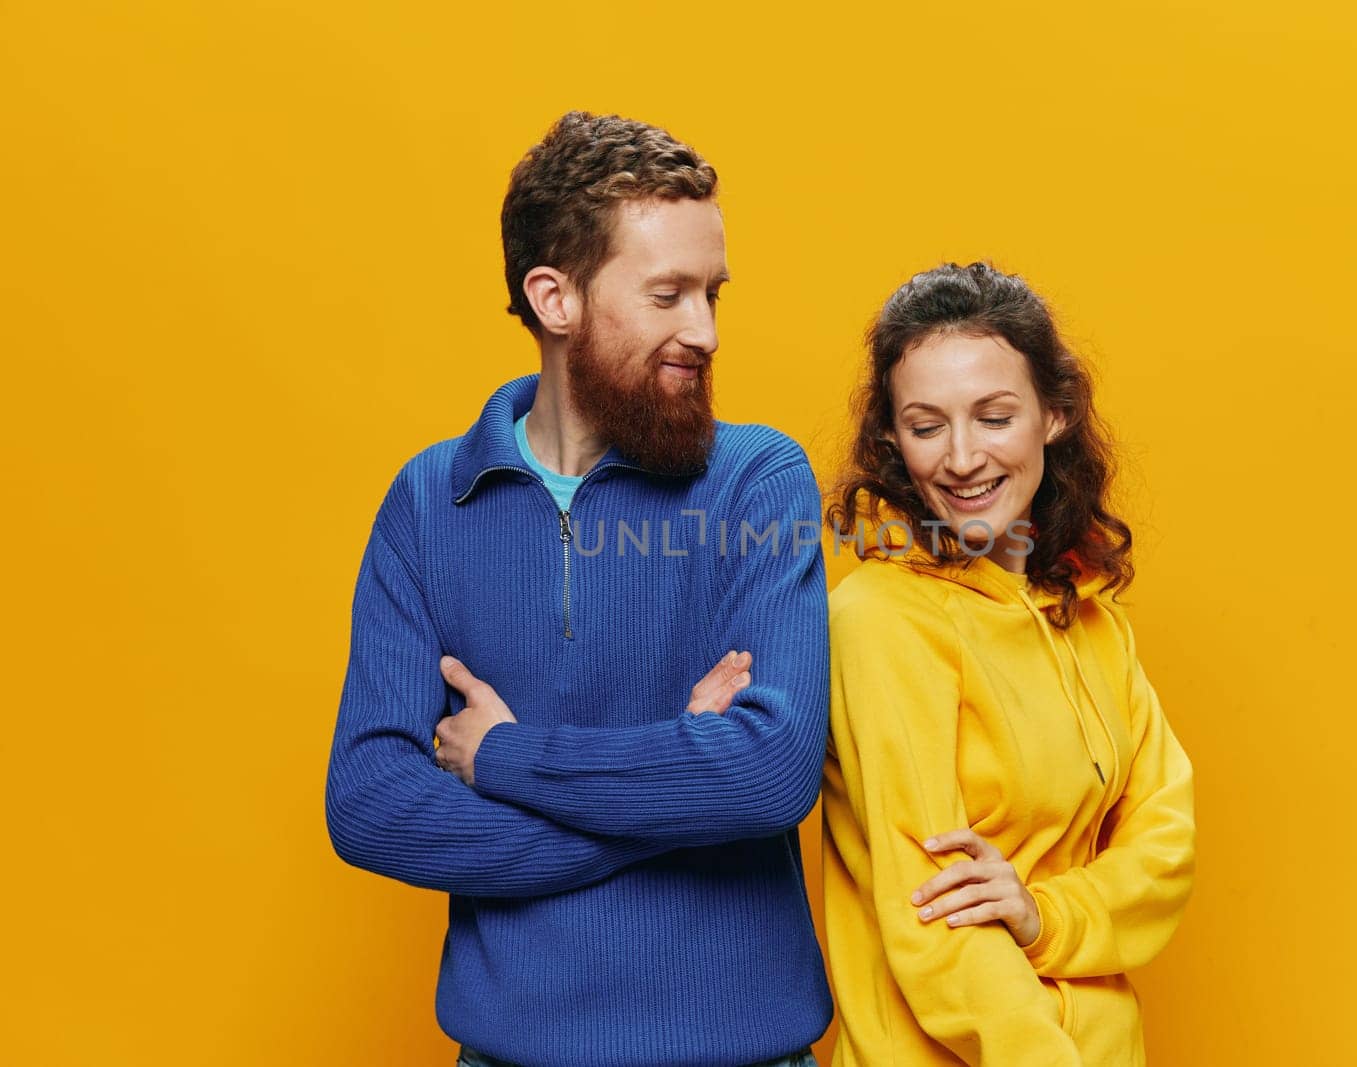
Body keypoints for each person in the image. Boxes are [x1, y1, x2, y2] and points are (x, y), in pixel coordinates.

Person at [324, 111, 831, 1067]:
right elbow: (370, 802)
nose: (706, 331)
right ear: (555, 299)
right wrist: (671, 795)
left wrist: (508, 757)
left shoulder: (758, 482)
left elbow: (769, 770)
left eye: (712, 293)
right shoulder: (431, 502)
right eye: (668, 295)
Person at [821, 262, 1196, 1065]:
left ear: (1054, 414)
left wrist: (1047, 916)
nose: (961, 458)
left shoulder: (1089, 613)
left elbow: (1165, 840)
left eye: (993, 416)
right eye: (926, 426)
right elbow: (934, 923)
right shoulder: (881, 621)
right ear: (891, 437)